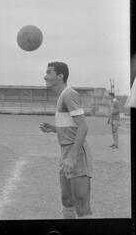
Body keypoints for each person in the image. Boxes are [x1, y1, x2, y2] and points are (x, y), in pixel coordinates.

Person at [39, 62, 93, 219]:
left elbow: (83, 127)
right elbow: (73, 127)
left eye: (49, 72)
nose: (45, 76)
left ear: (60, 76)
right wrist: (54, 128)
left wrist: (72, 156)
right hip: (66, 152)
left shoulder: (69, 94)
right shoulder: (62, 96)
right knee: (67, 201)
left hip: (76, 154)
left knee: (81, 204)